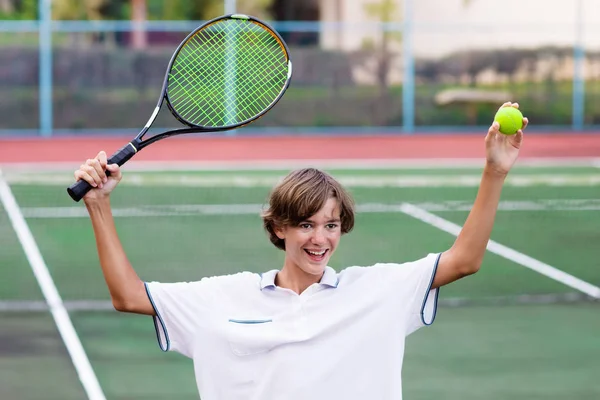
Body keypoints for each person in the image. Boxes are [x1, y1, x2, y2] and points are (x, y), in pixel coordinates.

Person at [74, 102, 528, 400]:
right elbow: (129, 296)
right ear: (279, 228)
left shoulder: (377, 290)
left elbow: (465, 260)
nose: (320, 238)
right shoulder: (222, 298)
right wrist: (98, 205)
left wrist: (494, 171)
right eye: (306, 225)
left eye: (331, 225)